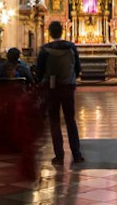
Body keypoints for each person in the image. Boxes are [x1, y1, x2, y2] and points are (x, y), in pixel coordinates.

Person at [35, 21, 85, 164]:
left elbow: (39, 71)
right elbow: (77, 68)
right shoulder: (71, 47)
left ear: (50, 32)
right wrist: (71, 78)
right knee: (70, 120)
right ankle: (76, 154)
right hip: (68, 86)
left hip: (51, 88)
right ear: (62, 32)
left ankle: (59, 155)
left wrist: (44, 80)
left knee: (54, 121)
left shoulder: (45, 50)